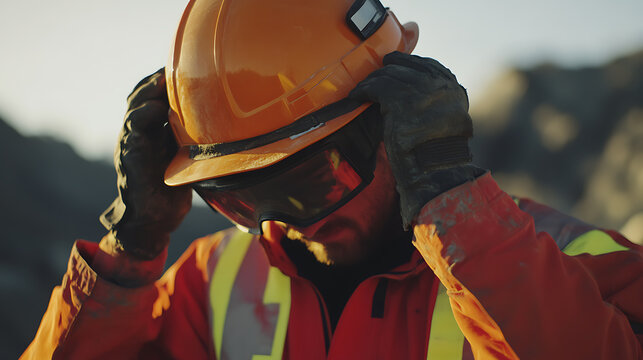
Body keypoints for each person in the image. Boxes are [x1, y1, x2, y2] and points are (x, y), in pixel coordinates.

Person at [22, 0, 642, 359]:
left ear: (393, 124)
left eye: (310, 178)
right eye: (240, 198)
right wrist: (129, 252)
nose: (282, 219)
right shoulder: (209, 284)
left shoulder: (583, 267)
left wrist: (460, 217)